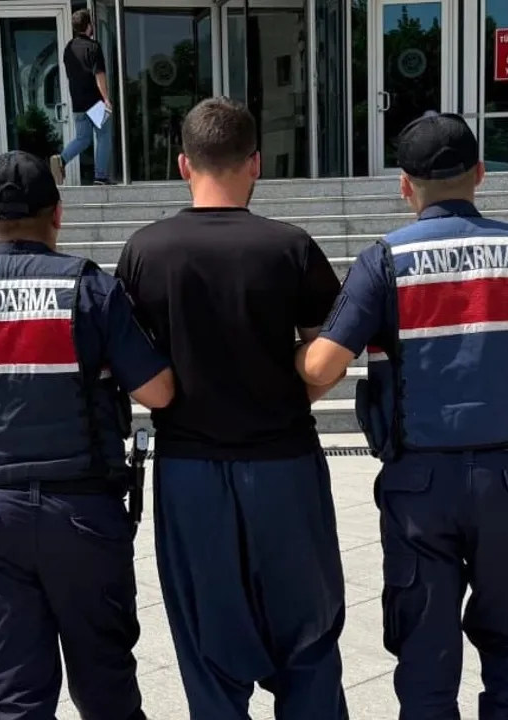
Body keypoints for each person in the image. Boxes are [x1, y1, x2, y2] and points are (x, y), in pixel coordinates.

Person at [295, 112, 508, 720]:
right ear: (480, 174)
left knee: (425, 646)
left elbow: (321, 367)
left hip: (419, 489)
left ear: (405, 185)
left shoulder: (383, 262)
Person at [113, 97, 349, 720]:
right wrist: (290, 393)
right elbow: (328, 356)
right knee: (309, 644)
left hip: (190, 472)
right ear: (256, 163)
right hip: (285, 465)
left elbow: (135, 369)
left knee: (207, 651)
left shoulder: (145, 251)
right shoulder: (291, 247)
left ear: (184, 165)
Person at [0, 150, 174, 720]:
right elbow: (158, 393)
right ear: (58, 214)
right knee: (107, 691)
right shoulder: (89, 289)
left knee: (17, 697)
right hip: (82, 513)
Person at [51, 9, 113, 186]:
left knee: (83, 139)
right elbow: (99, 75)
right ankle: (100, 176)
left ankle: (62, 159)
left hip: (78, 102)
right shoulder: (94, 47)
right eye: (91, 23)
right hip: (95, 102)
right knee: (104, 137)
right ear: (88, 26)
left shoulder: (68, 49)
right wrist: (106, 99)